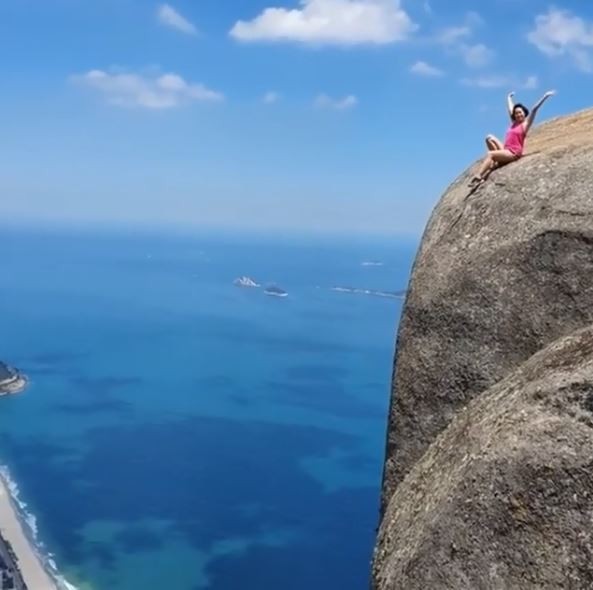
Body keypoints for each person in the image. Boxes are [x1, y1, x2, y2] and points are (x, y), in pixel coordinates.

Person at [469, 90, 556, 187]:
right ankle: (496, 161)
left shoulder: (525, 125)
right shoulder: (514, 123)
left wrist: (545, 96)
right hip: (506, 149)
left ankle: (479, 176)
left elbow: (534, 109)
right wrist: (509, 98)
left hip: (513, 153)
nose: (518, 114)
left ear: (524, 113)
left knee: (490, 154)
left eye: (520, 112)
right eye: (516, 113)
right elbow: (510, 109)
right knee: (489, 138)